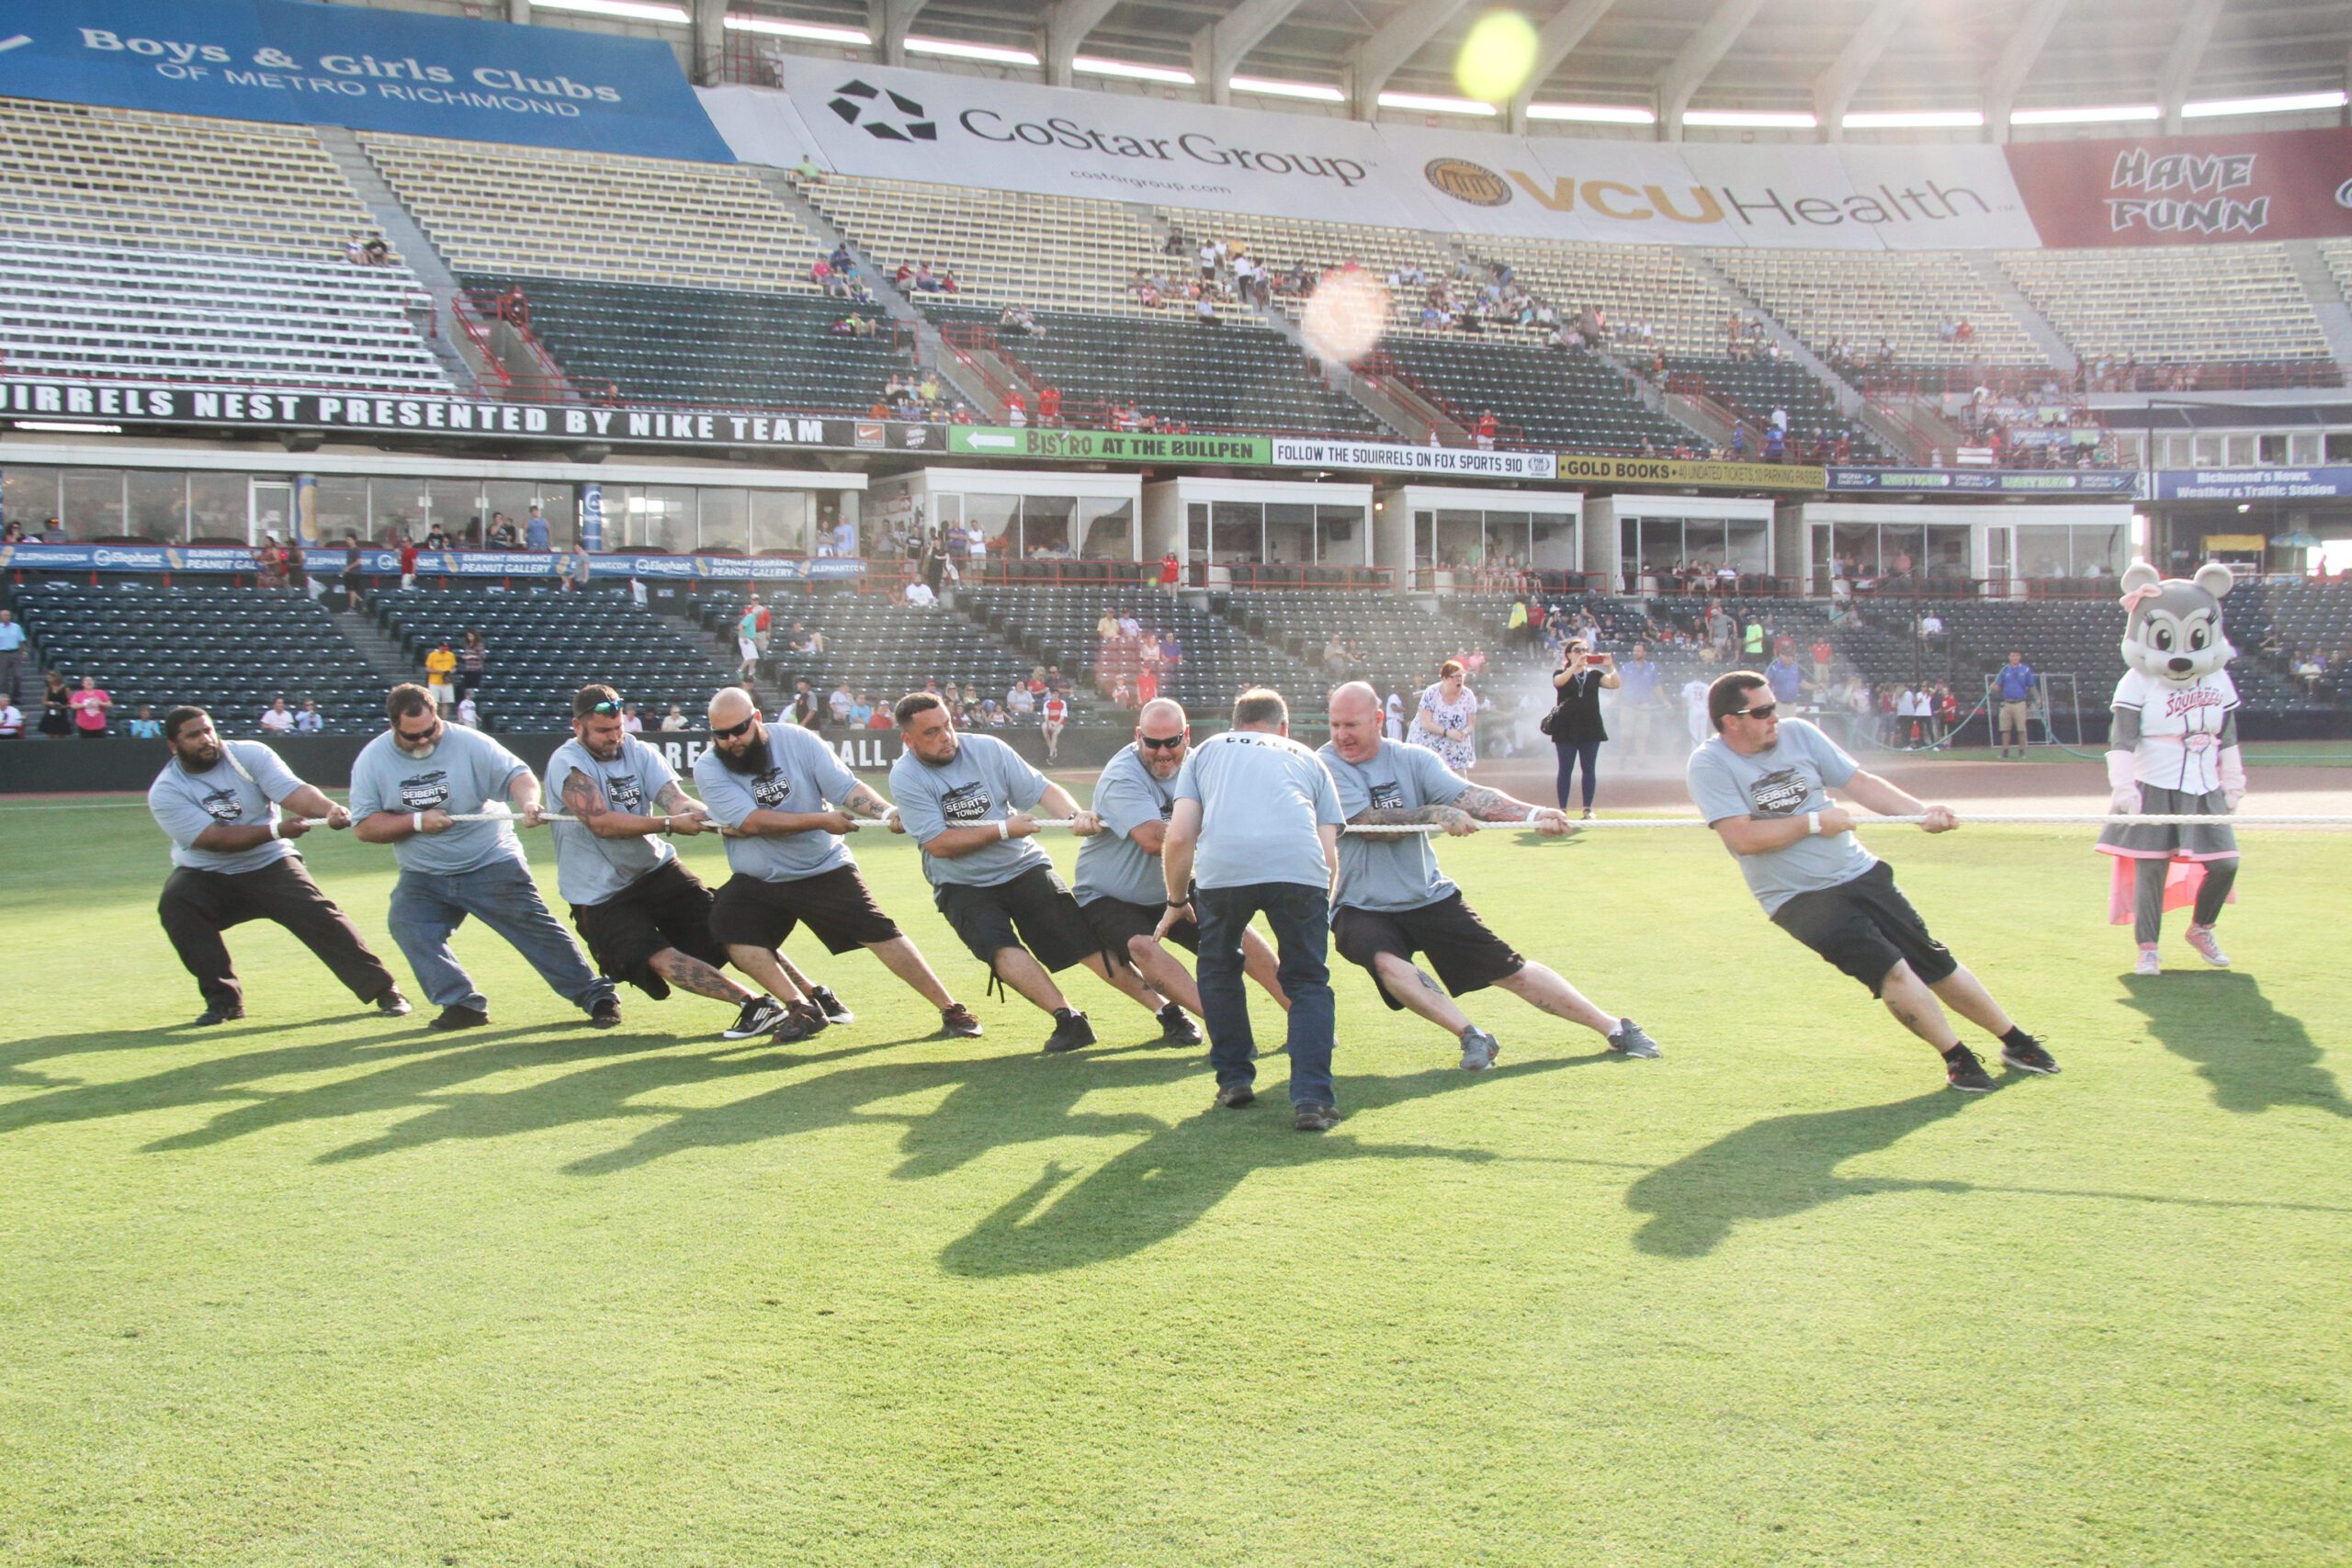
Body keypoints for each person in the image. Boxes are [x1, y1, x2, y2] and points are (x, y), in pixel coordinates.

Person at [1685, 671, 2060, 1091]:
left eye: (1774, 707)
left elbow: (1859, 783)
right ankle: (1958, 1058)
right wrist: (1812, 822)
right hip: (1799, 898)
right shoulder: (1709, 763)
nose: (1776, 717)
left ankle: (2014, 1041)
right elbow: (1742, 838)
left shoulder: (1800, 735)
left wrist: (1919, 814)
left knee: (1934, 961)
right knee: (1892, 970)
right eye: (1763, 711)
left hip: (1859, 871)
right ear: (1731, 721)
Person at [1321, 683, 1659, 1068]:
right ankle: (1472, 1036)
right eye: (1335, 725)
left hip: (1428, 894)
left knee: (1509, 969)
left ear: (1378, 720)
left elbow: (1471, 797)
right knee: (1384, 960)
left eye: (1351, 724)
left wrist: (1533, 815)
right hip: (1360, 904)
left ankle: (1615, 1027)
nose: (1341, 735)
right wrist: (1434, 813)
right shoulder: (1327, 764)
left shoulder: (1413, 759)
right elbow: (1364, 822)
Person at [887, 692, 1178, 1054]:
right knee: (999, 948)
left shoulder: (988, 749)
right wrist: (1003, 829)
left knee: (1085, 943)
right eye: (931, 732)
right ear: (908, 740)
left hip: (1023, 865)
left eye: (947, 725)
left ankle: (1167, 1012)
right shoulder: (906, 776)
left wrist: (1074, 817)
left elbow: (1043, 790)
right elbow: (938, 844)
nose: (946, 736)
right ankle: (1069, 1019)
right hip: (960, 883)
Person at [695, 686, 980, 1041]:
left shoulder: (797, 740)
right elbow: (751, 821)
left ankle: (951, 1010)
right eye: (721, 735)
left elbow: (845, 788)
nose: (732, 740)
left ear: (756, 718)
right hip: (760, 876)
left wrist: (887, 811)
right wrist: (821, 820)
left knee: (881, 933)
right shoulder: (708, 767)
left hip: (822, 865)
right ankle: (802, 1007)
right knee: (729, 927)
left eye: (739, 729)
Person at [349, 683, 617, 1031]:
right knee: (408, 925)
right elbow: (365, 827)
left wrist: (528, 803)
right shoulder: (373, 760)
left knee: (535, 930)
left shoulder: (469, 743)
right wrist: (416, 821)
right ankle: (462, 1004)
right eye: (411, 736)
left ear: (438, 718)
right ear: (393, 727)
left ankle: (596, 996)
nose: (423, 741)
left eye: (430, 731)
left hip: (489, 860)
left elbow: (518, 775)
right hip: (424, 873)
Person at [545, 685, 802, 1040]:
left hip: (655, 870)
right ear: (578, 727)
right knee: (652, 954)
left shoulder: (639, 750)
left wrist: (727, 820)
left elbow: (676, 801)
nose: (615, 737)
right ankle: (754, 1006)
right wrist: (668, 825)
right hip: (599, 892)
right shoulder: (567, 763)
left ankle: (806, 998)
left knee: (729, 924)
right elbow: (601, 823)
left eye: (618, 727)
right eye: (604, 731)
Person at [146, 705, 408, 1025]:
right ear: (174, 746)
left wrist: (328, 809)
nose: (206, 739)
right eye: (194, 735)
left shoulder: (249, 755)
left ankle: (385, 990)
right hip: (207, 872)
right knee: (177, 904)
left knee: (321, 916)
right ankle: (224, 1001)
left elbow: (293, 792)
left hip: (270, 863)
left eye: (208, 730)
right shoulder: (167, 789)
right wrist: (276, 830)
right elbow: (214, 839)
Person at [1158, 689, 1345, 1131]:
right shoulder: (1307, 757)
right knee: (1308, 983)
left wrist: (1176, 900)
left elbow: (1181, 836)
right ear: (1284, 727)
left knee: (1219, 968)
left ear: (1234, 723)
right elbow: (1329, 851)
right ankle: (1313, 1099)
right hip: (1299, 868)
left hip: (1225, 869)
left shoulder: (1204, 753)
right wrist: (1325, 902)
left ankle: (1234, 1079)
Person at [1073, 700, 1289, 1041]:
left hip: (1176, 881)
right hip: (1111, 894)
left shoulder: (1203, 764)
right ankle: (1229, 1031)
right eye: (1152, 742)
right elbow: (1152, 838)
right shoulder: (1121, 774)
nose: (1162, 752)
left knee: (1238, 932)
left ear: (1186, 735)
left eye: (1171, 741)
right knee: (1144, 946)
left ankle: (1303, 1016)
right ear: (1138, 736)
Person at [1544, 641, 1616, 818]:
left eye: (1585, 650)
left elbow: (1614, 683)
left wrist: (1610, 665)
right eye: (1578, 651)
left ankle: (1587, 808)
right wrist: (1575, 666)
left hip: (1590, 727)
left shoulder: (1594, 674)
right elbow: (1559, 682)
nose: (1583, 653)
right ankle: (1562, 809)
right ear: (1569, 654)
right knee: (1565, 769)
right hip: (1566, 728)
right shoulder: (1561, 673)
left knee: (1589, 769)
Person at [1411, 660, 1479, 776]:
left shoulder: (1468, 695)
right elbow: (1425, 723)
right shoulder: (1431, 692)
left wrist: (1463, 732)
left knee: (1460, 784)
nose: (1460, 679)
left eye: (1462, 675)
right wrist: (1447, 732)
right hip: (1429, 744)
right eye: (1456, 676)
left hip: (1455, 746)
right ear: (1445, 678)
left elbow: (1471, 724)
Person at [1614, 641, 1661, 756]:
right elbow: (1618, 684)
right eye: (1634, 651)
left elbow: (1657, 686)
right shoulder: (1626, 668)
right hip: (1628, 705)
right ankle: (1622, 758)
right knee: (1626, 734)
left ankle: (1641, 759)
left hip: (1644, 705)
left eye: (1638, 651)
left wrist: (1665, 701)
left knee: (1642, 735)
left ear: (1644, 653)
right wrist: (1615, 699)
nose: (1636, 653)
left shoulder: (1651, 667)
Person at [1996, 649, 2038, 759]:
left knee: (2021, 729)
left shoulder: (2025, 669)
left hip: (2020, 703)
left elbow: (2031, 685)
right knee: (2005, 729)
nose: (2014, 658)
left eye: (2016, 656)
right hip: (2006, 703)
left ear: (2020, 657)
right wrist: (1993, 687)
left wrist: (2038, 698)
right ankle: (2005, 752)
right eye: (2012, 656)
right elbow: (1998, 686)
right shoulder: (2005, 670)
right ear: (2009, 657)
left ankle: (2022, 752)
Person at [69, 673, 111, 739]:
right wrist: (85, 704)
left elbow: (109, 704)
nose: (89, 682)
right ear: (83, 684)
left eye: (90, 680)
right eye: (86, 680)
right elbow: (73, 706)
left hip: (99, 725)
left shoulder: (100, 693)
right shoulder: (78, 694)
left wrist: (100, 703)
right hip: (84, 726)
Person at [38, 669, 72, 738]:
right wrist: (50, 703)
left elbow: (70, 703)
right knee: (50, 734)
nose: (48, 679)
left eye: (49, 678)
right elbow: (44, 702)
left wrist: (63, 706)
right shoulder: (48, 689)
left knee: (61, 735)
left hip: (61, 714)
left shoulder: (65, 689)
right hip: (50, 713)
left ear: (55, 678)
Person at [424, 640, 457, 708]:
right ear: (439, 647)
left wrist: (450, 672)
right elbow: (427, 669)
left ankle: (444, 718)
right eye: (443, 648)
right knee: (434, 703)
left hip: (447, 682)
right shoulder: (432, 655)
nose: (445, 650)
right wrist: (438, 671)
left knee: (446, 703)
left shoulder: (450, 655)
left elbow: (454, 668)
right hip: (434, 682)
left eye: (446, 648)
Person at [0, 606, 21, 705]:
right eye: (4, 615)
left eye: (8, 615)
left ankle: (16, 697)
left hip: (15, 652)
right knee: (3, 677)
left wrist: (24, 652)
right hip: (3, 653)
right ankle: (4, 699)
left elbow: (22, 640)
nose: (7, 617)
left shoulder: (16, 627)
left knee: (17, 676)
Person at [1039, 690, 1068, 762]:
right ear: (1051, 695)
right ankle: (1052, 748)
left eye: (1056, 694)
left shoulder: (1063, 703)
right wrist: (1049, 723)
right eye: (1053, 694)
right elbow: (1046, 716)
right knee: (1044, 728)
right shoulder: (1047, 703)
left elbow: (1062, 717)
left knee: (1055, 734)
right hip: (1050, 721)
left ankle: (1051, 755)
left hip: (1059, 722)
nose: (1054, 695)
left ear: (1058, 695)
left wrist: (1056, 726)